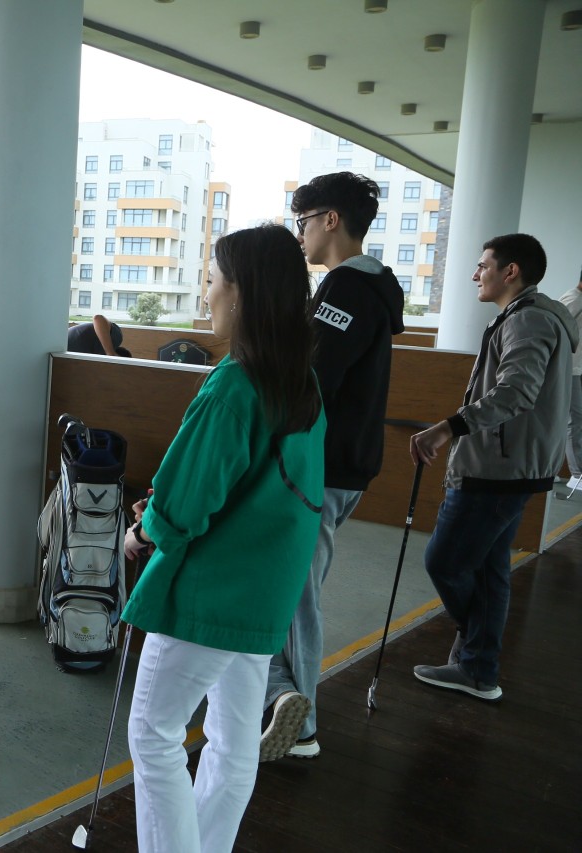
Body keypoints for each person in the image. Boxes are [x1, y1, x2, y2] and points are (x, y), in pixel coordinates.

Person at [121, 224, 325, 853]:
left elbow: (182, 506)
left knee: (154, 733)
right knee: (234, 744)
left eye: (212, 280)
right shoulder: (302, 383)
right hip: (265, 593)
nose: (206, 294)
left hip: (210, 597)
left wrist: (141, 530)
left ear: (242, 294)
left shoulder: (234, 385)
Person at [261, 172, 404, 761]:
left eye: (302, 220)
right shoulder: (366, 288)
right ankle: (278, 697)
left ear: (330, 220)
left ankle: (303, 720)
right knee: (289, 586)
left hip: (322, 467)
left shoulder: (345, 290)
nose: (299, 234)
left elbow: (311, 383)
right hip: (343, 466)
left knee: (297, 594)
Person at [410, 234, 575, 700]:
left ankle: (476, 650)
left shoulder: (529, 321)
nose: (474, 273)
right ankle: (478, 671)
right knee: (488, 569)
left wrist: (447, 428)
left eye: (482, 265)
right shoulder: (528, 317)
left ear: (511, 271)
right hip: (510, 465)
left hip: (498, 469)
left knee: (443, 561)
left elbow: (517, 392)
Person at [556, 268, 582, 481]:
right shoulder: (573, 299)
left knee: (572, 419)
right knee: (574, 419)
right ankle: (577, 474)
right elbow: (554, 329)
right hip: (568, 370)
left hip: (576, 369)